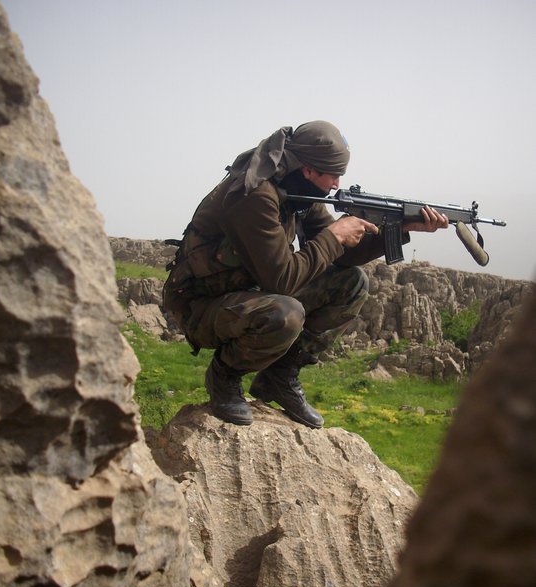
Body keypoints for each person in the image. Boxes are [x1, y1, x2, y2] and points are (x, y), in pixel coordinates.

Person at [163, 121, 448, 429]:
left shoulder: (297, 191)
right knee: (286, 313)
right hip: (201, 306)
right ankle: (224, 375)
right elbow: (282, 281)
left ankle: (279, 377)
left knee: (351, 283)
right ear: (309, 170)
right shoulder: (256, 195)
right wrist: (334, 235)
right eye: (334, 175)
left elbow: (344, 255)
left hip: (246, 293)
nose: (337, 184)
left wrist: (403, 227)